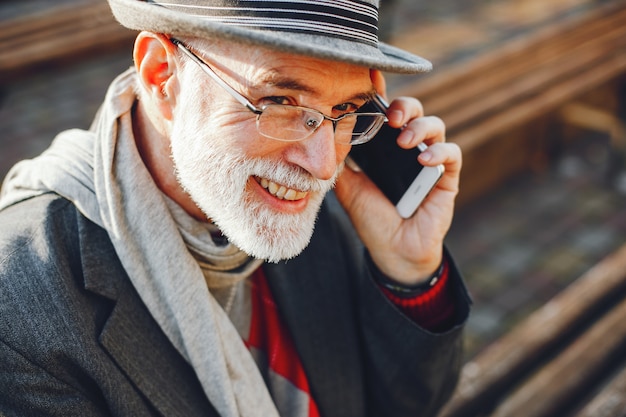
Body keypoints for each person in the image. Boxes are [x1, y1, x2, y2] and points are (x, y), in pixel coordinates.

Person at [0, 0, 470, 416]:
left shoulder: (305, 212)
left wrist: (410, 273)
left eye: (346, 109)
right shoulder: (21, 302)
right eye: (280, 101)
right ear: (161, 75)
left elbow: (407, 404)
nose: (323, 163)